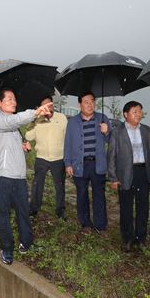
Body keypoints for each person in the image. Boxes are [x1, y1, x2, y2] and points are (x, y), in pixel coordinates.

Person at [0, 88, 53, 264]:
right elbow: (11, 122)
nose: (14, 102)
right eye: (9, 99)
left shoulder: (17, 129)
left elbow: (13, 151)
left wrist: (23, 150)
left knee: (23, 212)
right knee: (3, 214)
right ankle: (7, 249)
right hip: (1, 175)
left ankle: (26, 243)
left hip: (18, 175)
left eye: (15, 99)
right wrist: (36, 112)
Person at [107, 101, 150, 252]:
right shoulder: (117, 132)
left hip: (143, 173)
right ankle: (127, 238)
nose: (138, 114)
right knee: (126, 208)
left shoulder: (146, 130)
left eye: (140, 111)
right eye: (134, 111)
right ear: (125, 114)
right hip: (125, 174)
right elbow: (111, 156)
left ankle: (141, 238)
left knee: (143, 207)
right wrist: (113, 177)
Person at [63, 91, 111, 234]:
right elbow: (68, 143)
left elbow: (110, 140)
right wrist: (68, 163)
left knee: (99, 196)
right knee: (82, 195)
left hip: (98, 164)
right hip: (80, 164)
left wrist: (106, 132)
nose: (90, 104)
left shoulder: (102, 118)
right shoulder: (72, 122)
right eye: (86, 102)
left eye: (92, 101)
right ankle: (86, 224)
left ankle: (100, 225)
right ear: (80, 104)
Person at [25, 95, 68, 219]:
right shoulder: (38, 120)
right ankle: (34, 208)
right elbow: (28, 136)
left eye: (50, 103)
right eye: (45, 104)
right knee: (37, 184)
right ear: (40, 107)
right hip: (42, 158)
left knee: (59, 185)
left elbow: (68, 137)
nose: (48, 106)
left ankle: (60, 210)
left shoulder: (62, 118)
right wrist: (34, 120)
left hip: (58, 158)